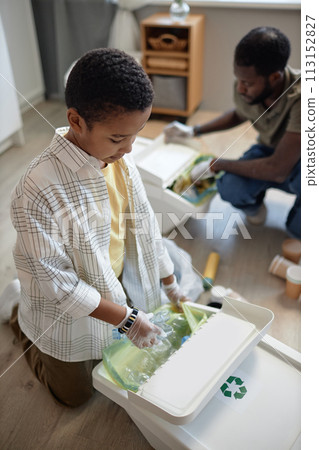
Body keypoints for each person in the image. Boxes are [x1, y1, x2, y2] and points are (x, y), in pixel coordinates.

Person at [9, 48, 189, 407]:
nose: (129, 148)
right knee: (76, 395)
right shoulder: (37, 187)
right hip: (59, 296)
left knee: (129, 349)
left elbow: (145, 226)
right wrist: (127, 319)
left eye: (136, 134)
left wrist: (170, 286)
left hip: (110, 274)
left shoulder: (119, 160)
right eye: (118, 139)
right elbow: (59, 284)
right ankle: (16, 310)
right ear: (76, 121)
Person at [164, 27, 301, 239]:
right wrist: (194, 130)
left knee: (297, 231)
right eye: (238, 80)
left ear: (274, 77)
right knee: (230, 188)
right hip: (270, 151)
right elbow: (239, 114)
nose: (239, 89)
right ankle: (255, 205)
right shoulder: (248, 87)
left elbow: (277, 169)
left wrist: (216, 164)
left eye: (247, 83)